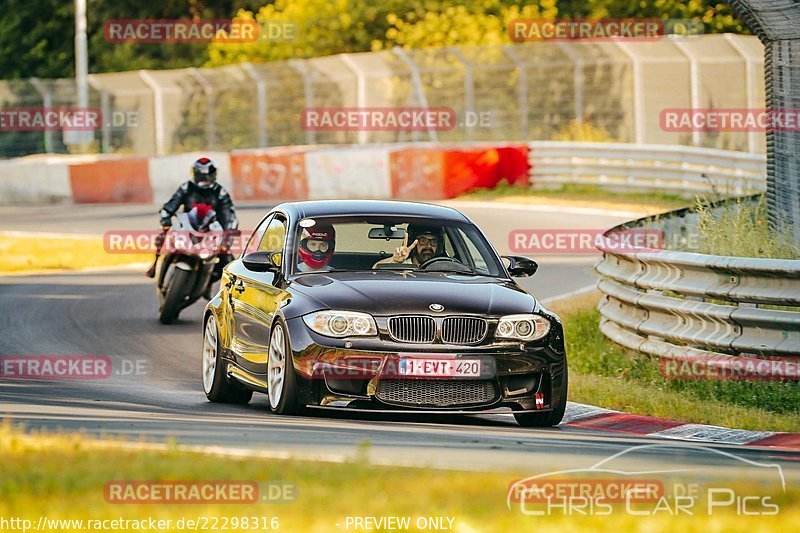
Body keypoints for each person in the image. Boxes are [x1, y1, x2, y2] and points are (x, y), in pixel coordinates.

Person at [146, 157, 238, 298]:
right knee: (163, 232)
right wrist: (166, 217)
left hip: (210, 233)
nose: (204, 179)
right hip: (187, 227)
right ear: (195, 174)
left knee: (229, 261)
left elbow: (229, 217)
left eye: (207, 175)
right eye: (201, 175)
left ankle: (208, 283)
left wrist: (228, 236)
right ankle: (155, 262)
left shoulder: (221, 193)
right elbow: (171, 204)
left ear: (214, 175)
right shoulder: (186, 187)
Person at [373, 224, 445, 268]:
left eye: (434, 241)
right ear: (412, 243)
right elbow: (375, 269)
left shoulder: (443, 268)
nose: (429, 246)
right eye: (423, 241)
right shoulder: (402, 265)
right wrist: (394, 261)